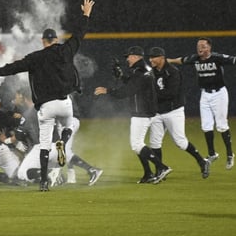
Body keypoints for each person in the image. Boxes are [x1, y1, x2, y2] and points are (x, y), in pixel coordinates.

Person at [0, 0, 95, 191]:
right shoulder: (65, 50)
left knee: (43, 146)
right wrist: (86, 15)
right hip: (64, 102)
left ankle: (43, 183)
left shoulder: (35, 57)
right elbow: (79, 35)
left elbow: (13, 67)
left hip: (46, 107)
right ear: (55, 40)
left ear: (43, 41)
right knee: (67, 126)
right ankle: (62, 144)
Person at [94, 46, 172, 184]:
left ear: (136, 56)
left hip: (141, 112)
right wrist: (122, 76)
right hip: (146, 110)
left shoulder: (140, 70)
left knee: (136, 145)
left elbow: (127, 91)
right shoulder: (145, 69)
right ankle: (148, 174)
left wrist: (108, 90)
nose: (127, 59)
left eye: (129, 56)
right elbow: (135, 83)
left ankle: (162, 167)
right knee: (139, 144)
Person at [167, 37, 236, 169]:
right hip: (205, 94)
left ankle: (229, 154)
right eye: (199, 46)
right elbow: (181, 60)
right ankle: (212, 153)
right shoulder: (195, 59)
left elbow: (233, 59)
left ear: (209, 48)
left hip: (219, 94)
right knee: (206, 126)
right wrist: (169, 60)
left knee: (221, 125)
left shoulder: (217, 58)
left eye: (203, 46)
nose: (200, 48)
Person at [147, 47, 210, 179]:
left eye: (154, 57)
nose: (151, 59)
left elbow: (171, 93)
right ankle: (160, 170)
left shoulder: (172, 71)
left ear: (162, 58)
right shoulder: (152, 72)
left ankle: (202, 161)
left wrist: (152, 95)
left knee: (180, 142)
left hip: (173, 111)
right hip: (158, 112)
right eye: (150, 57)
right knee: (154, 142)